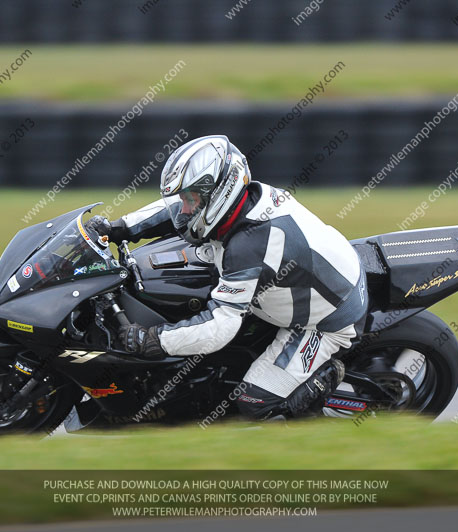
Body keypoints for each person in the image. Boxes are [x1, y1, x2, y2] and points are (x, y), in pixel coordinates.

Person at [89, 135, 367, 420]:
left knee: (254, 403)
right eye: (185, 197)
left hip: (327, 321)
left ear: (221, 191)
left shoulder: (251, 245)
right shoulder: (241, 202)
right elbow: (173, 211)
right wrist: (118, 227)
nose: (185, 208)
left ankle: (326, 377)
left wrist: (154, 340)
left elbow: (219, 326)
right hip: (313, 277)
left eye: (191, 199)